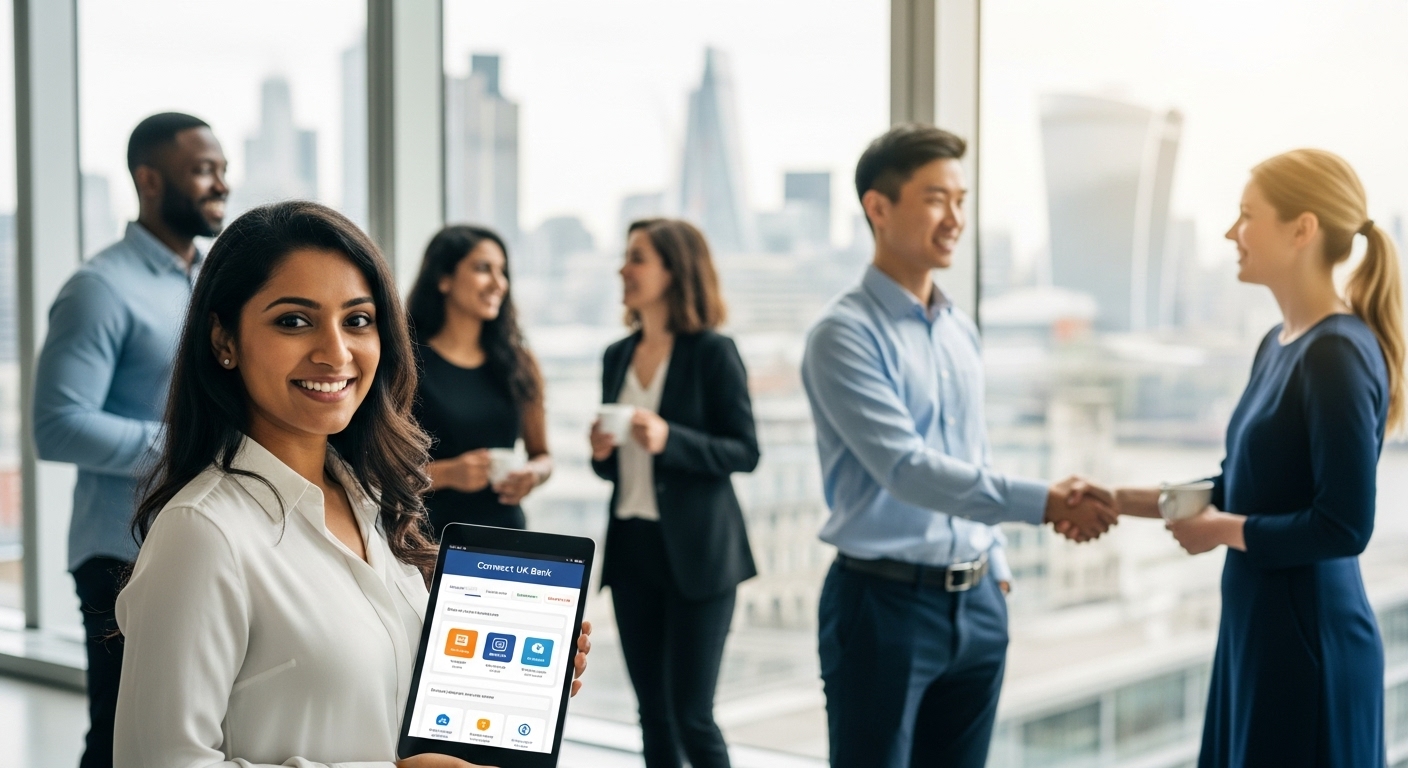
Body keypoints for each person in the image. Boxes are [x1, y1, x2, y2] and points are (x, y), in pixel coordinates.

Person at [111, 201, 591, 768]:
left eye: (357, 320)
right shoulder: (203, 532)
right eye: (294, 320)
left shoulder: (369, 503)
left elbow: (374, 709)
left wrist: (501, 690)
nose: (335, 353)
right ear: (225, 339)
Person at [801, 123, 1117, 768]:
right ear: (878, 208)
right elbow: (907, 469)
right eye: (936, 198)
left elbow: (972, 456)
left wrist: (994, 566)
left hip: (975, 605)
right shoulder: (843, 334)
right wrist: (1046, 503)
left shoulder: (958, 330)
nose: (956, 219)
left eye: (962, 200)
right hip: (882, 608)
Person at [1091, 150, 1402, 767]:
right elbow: (1240, 485)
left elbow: (1344, 526)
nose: (1232, 233)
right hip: (1261, 632)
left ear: (1302, 229)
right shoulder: (1278, 344)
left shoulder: (1336, 354)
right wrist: (1114, 499)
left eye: (1246, 215)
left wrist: (1219, 534)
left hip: (1309, 641)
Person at [32, 112, 227, 768]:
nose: (220, 184)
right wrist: (186, 445)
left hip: (203, 539)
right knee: (120, 740)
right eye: (203, 171)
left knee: (191, 732)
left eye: (223, 170)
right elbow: (57, 425)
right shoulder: (99, 288)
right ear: (149, 180)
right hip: (120, 552)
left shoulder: (214, 281)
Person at [588, 218, 757, 768]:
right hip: (634, 548)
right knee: (652, 716)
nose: (624, 269)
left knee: (692, 714)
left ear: (674, 270)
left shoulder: (714, 352)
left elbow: (744, 451)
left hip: (700, 556)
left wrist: (671, 439)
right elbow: (620, 478)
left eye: (637, 257)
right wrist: (602, 455)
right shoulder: (617, 355)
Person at [406, 225, 550, 536]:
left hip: (506, 538)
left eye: (503, 271)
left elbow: (542, 455)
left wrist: (533, 476)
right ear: (444, 278)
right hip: (428, 544)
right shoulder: (405, 364)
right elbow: (375, 477)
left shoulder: (519, 362)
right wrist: (448, 474)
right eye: (484, 268)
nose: (499, 283)